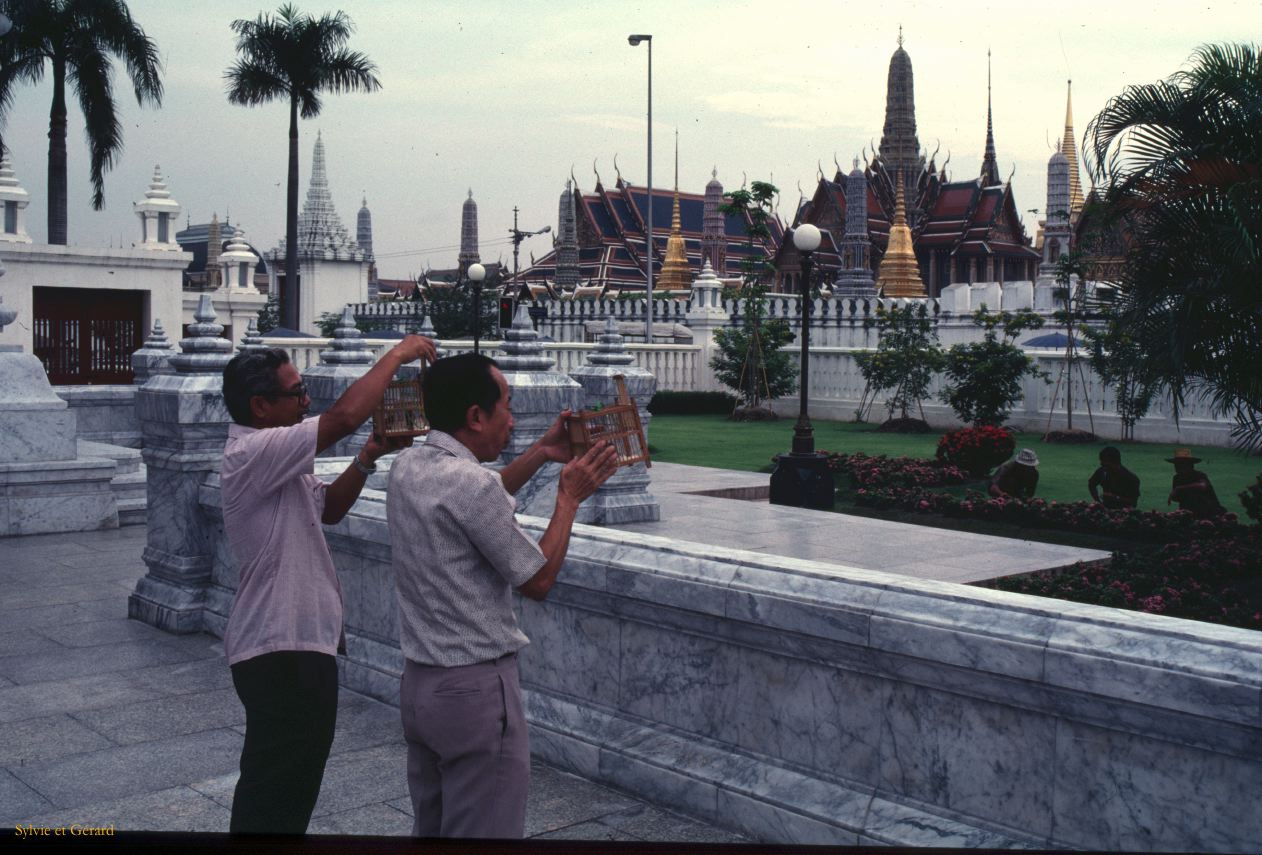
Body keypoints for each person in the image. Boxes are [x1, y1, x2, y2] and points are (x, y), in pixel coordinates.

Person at [387, 353, 618, 839]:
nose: (511, 419)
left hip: (421, 687)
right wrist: (568, 499)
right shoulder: (469, 484)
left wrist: (538, 452)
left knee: (433, 827)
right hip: (473, 693)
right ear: (475, 416)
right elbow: (537, 580)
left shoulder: (407, 465)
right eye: (506, 406)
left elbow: (477, 504)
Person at [220, 335, 436, 835]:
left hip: (297, 646)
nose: (306, 401)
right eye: (296, 393)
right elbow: (340, 417)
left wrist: (368, 457)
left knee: (287, 788)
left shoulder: (275, 457)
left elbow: (330, 509)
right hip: (280, 649)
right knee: (274, 793)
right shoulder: (254, 449)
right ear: (260, 406)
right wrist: (398, 355)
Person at [1166, 448, 1225, 518]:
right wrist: (1174, 495)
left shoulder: (1199, 475)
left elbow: (1202, 486)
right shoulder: (1177, 478)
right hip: (1188, 514)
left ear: (1190, 465)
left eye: (1181, 464)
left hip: (1210, 513)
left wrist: (1180, 488)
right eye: (1176, 464)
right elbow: (1178, 498)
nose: (1178, 467)